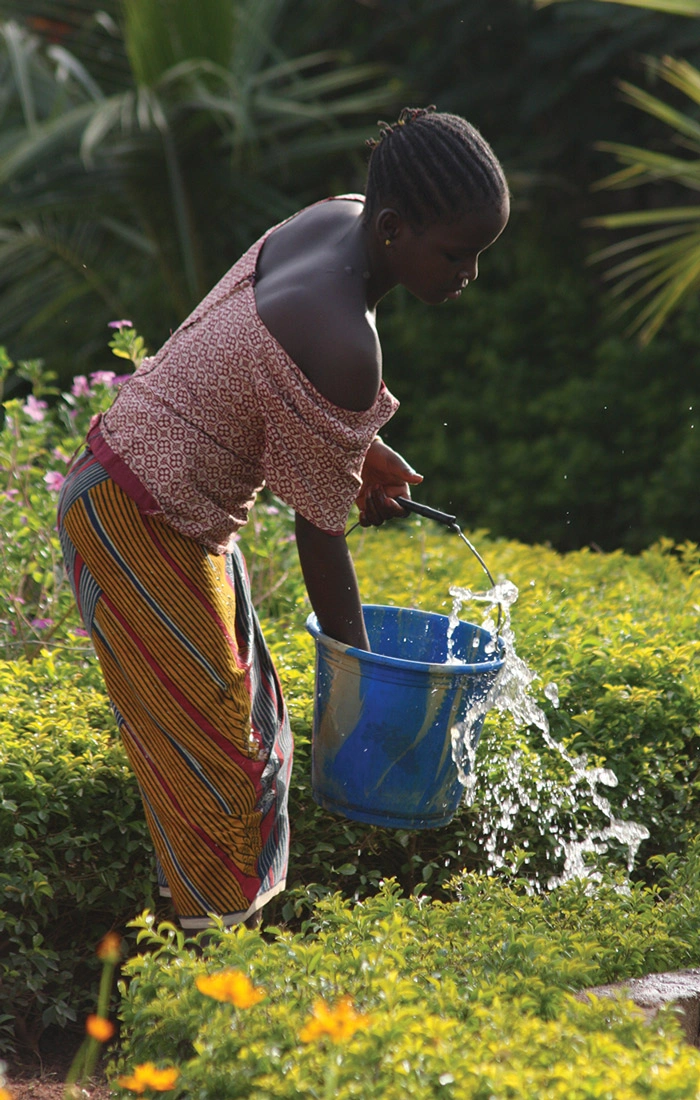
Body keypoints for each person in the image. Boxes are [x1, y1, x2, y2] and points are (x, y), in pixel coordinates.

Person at [57, 105, 509, 932]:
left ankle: (196, 947)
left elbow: (259, 365)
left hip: (144, 490)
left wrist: (361, 444)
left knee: (249, 744)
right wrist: (366, 685)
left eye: (479, 254)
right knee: (226, 763)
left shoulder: (335, 218)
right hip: (137, 516)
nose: (467, 274)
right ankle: (209, 994)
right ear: (395, 228)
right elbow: (319, 533)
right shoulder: (345, 340)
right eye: (455, 254)